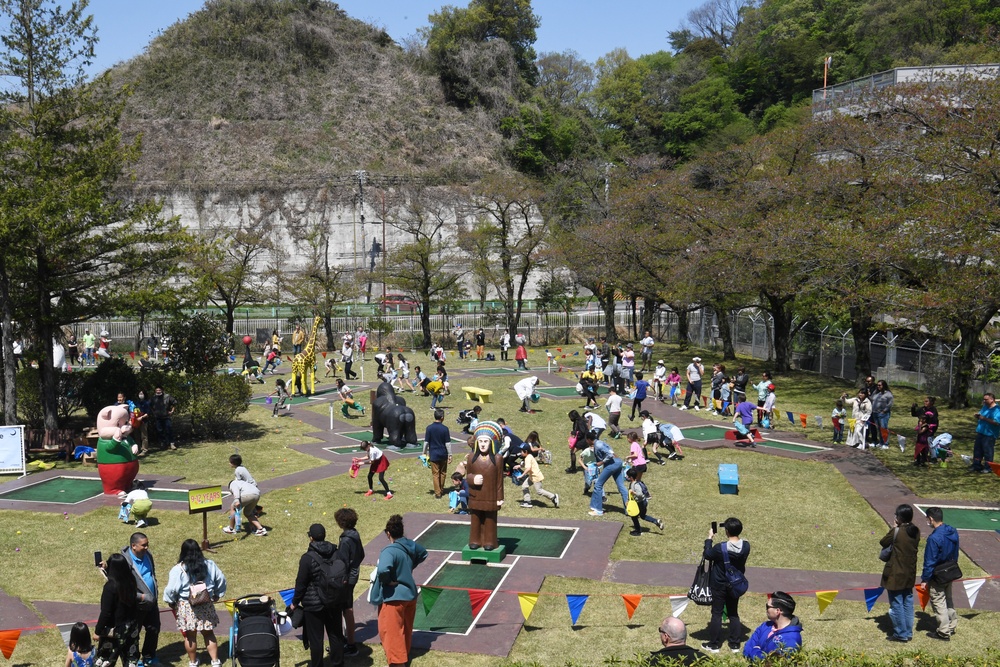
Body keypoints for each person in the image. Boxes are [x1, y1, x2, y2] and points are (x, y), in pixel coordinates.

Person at [371, 515, 427, 667]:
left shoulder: (389, 551)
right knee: (406, 628)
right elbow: (423, 553)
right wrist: (408, 569)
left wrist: (388, 580)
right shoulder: (409, 545)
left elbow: (383, 570)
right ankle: (404, 654)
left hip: (393, 598)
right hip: (410, 595)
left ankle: (397, 663)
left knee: (391, 633)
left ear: (388, 533)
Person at [163, 539, 227, 667]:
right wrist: (218, 594)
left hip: (186, 605)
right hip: (205, 602)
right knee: (208, 633)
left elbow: (171, 589)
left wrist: (170, 601)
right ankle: (215, 661)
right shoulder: (209, 564)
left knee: (190, 636)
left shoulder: (178, 569)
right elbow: (221, 579)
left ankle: (193, 662)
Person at [290, 524, 345, 667]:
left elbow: (301, 583)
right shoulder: (336, 552)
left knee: (316, 639)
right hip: (334, 601)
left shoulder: (307, 558)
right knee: (336, 635)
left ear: (311, 538)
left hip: (314, 605)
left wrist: (295, 602)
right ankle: (338, 663)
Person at [702, 518, 750, 654]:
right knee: (733, 613)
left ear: (727, 531)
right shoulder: (746, 546)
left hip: (719, 584)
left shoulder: (720, 548)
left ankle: (714, 644)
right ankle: (735, 644)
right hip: (735, 584)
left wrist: (709, 539)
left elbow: (707, 555)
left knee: (716, 613)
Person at [454, 422, 505, 550]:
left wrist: (500, 497)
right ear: (477, 443)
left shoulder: (498, 459)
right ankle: (475, 540)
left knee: (490, 519)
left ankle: (489, 541)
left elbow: (499, 479)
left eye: (485, 442)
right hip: (476, 494)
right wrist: (473, 479)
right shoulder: (471, 458)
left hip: (490, 494)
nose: (482, 444)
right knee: (475, 518)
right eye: (480, 441)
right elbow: (468, 476)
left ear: (491, 443)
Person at [114, 533, 160, 666]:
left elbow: (152, 574)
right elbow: (121, 587)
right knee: (134, 634)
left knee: (154, 629)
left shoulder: (148, 555)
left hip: (152, 602)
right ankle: (134, 659)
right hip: (135, 605)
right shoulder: (124, 561)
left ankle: (149, 655)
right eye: (143, 545)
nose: (147, 547)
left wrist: (154, 591)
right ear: (133, 546)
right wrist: (141, 597)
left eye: (147, 544)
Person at [881, 504, 920, 643]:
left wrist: (894, 528)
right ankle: (908, 632)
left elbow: (883, 542)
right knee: (907, 602)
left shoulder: (897, 532)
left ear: (899, 518)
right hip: (909, 572)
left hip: (895, 573)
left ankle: (900, 633)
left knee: (896, 603)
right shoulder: (915, 531)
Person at [921, 506, 960, 640]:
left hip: (938, 574)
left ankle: (943, 632)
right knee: (948, 599)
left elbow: (930, 561)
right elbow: (956, 553)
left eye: (927, 519)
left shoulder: (934, 539)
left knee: (938, 601)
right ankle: (951, 625)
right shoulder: (952, 531)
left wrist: (925, 579)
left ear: (931, 519)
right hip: (951, 570)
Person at [96, 553, 141, 667]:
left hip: (115, 630)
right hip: (131, 627)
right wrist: (106, 570)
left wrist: (98, 631)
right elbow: (118, 579)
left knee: (105, 660)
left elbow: (106, 612)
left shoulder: (110, 587)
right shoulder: (131, 581)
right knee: (131, 659)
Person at [334, 508, 365, 657]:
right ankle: (346, 641)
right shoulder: (355, 534)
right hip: (353, 574)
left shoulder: (346, 540)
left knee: (347, 609)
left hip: (346, 578)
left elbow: (342, 563)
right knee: (346, 608)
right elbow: (362, 554)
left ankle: (351, 645)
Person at [743, 592, 802, 660]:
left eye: (767, 607)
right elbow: (747, 648)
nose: (766, 610)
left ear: (777, 611)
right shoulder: (765, 626)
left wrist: (755, 651)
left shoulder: (791, 639)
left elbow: (772, 663)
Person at [586, 431, 629, 517]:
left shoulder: (598, 445)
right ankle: (628, 510)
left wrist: (601, 462)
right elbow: (611, 452)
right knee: (621, 486)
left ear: (589, 439)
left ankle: (598, 510)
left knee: (598, 485)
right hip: (618, 462)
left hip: (611, 465)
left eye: (586, 440)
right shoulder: (601, 442)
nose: (586, 441)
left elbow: (609, 455)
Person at [514, 444, 558, 508]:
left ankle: (553, 497)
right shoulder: (529, 456)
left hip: (536, 477)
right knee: (524, 486)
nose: (520, 452)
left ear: (526, 451)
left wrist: (521, 476)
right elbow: (526, 465)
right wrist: (519, 466)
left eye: (521, 451)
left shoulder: (528, 458)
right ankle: (527, 502)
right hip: (532, 476)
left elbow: (528, 468)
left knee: (539, 491)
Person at [423, 408, 453, 499]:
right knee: (443, 472)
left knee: (435, 474)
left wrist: (424, 452)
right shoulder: (445, 429)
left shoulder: (429, 428)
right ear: (442, 417)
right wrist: (450, 454)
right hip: (443, 454)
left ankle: (437, 493)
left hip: (434, 454)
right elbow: (447, 443)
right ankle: (441, 489)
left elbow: (426, 442)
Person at [625, 466, 663, 536]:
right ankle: (656, 521)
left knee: (634, 517)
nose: (626, 477)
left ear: (631, 477)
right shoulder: (634, 483)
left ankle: (638, 531)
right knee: (643, 516)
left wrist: (634, 493)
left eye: (627, 476)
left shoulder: (635, 485)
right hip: (643, 502)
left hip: (640, 503)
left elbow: (640, 494)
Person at [971, 392, 1000, 473]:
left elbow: (997, 422)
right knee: (977, 450)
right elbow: (981, 415)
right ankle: (976, 465)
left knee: (988, 451)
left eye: (986, 399)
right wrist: (978, 416)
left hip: (990, 434)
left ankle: (989, 467)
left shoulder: (997, 410)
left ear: (992, 400)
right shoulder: (985, 407)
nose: (984, 401)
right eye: (983, 399)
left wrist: (984, 418)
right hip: (980, 432)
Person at [150, 386, 177, 450]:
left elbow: (174, 403)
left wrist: (172, 411)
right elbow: (150, 406)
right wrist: (153, 413)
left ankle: (172, 443)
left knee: (169, 430)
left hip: (166, 417)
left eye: (159, 390)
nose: (158, 391)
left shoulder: (167, 397)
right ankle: (163, 444)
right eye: (157, 390)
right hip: (158, 417)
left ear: (162, 390)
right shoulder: (153, 398)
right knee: (160, 431)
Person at [871, 380, 895, 449]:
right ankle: (881, 442)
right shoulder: (876, 393)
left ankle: (885, 444)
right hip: (875, 413)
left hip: (883, 414)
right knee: (878, 428)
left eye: (880, 385)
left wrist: (884, 411)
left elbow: (890, 404)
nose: (878, 386)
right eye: (877, 385)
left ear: (883, 385)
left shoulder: (888, 394)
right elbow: (872, 398)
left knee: (883, 428)